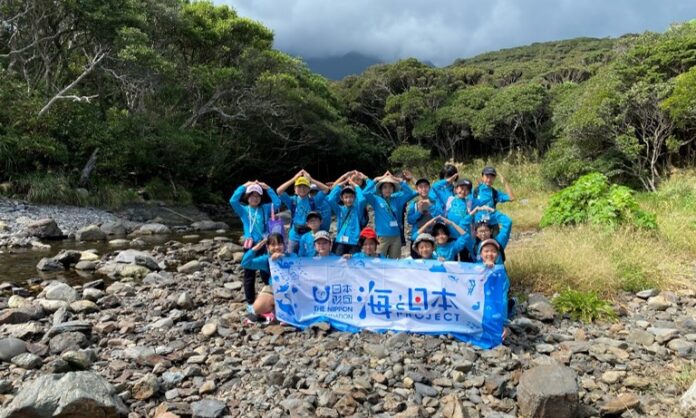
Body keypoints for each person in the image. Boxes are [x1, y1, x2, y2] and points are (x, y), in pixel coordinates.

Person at [229, 180, 281, 310]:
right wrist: (244, 186)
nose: (254, 198)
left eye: (257, 196)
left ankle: (269, 297)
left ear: (260, 197)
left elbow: (278, 203)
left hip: (264, 244)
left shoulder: (265, 208)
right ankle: (251, 301)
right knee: (249, 274)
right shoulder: (244, 210)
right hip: (250, 245)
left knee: (267, 271)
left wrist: (268, 188)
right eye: (252, 196)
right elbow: (233, 201)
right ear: (247, 198)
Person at [240, 233, 296, 323]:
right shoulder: (266, 260)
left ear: (284, 245)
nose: (277, 247)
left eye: (279, 244)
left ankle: (280, 311)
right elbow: (245, 263)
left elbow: (299, 264)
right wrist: (254, 249)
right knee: (257, 308)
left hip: (292, 290)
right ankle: (276, 309)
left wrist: (283, 258)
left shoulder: (292, 256)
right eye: (273, 245)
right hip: (273, 289)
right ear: (268, 247)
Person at [363, 171, 416, 259]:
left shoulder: (398, 199)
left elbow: (411, 193)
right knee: (379, 261)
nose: (387, 189)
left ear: (393, 189)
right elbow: (365, 193)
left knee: (394, 263)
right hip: (382, 236)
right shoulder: (376, 200)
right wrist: (375, 180)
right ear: (381, 189)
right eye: (385, 187)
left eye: (390, 187)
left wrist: (399, 180)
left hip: (396, 236)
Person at [277, 170, 330, 254]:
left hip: (309, 235)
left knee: (310, 259)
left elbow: (326, 189)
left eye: (305, 186)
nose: (302, 189)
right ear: (295, 189)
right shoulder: (292, 201)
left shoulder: (313, 201)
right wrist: (294, 179)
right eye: (299, 186)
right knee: (292, 259)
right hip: (294, 236)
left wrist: (311, 179)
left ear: (309, 188)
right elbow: (279, 191)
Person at [327, 173, 366, 255]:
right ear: (342, 198)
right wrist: (341, 185)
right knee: (339, 263)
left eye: (351, 197)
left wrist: (356, 186)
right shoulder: (340, 209)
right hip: (341, 241)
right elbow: (330, 199)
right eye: (346, 197)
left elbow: (362, 200)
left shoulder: (357, 209)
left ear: (354, 198)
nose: (348, 200)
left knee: (354, 265)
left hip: (354, 242)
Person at [407, 177, 443, 258]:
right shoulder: (414, 204)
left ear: (429, 188)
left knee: (434, 261)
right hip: (418, 236)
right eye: (421, 187)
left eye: (426, 186)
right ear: (417, 189)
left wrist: (430, 206)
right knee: (416, 262)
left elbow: (440, 217)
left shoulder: (435, 202)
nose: (423, 189)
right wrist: (419, 212)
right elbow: (410, 220)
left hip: (432, 236)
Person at [471, 166, 515, 232]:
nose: (489, 179)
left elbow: (511, 198)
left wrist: (505, 183)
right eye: (487, 177)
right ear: (482, 177)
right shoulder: (475, 191)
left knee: (496, 242)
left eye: (492, 177)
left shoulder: (495, 192)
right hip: (478, 223)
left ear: (494, 178)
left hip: (492, 223)